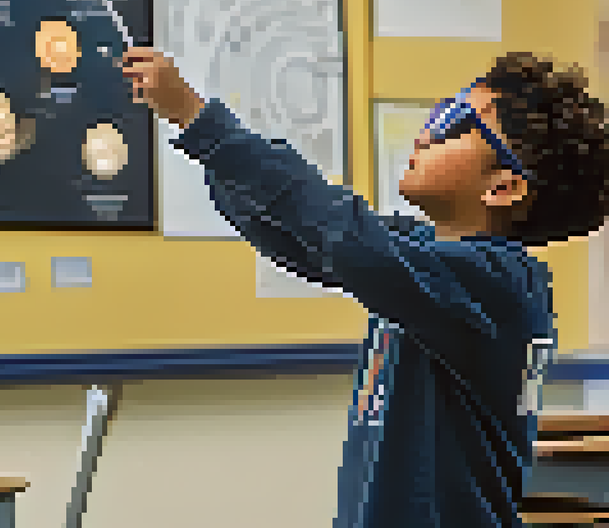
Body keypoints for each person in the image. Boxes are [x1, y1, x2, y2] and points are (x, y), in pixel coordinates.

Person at [120, 47, 609, 528]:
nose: (428, 132)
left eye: (456, 123)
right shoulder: (421, 253)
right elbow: (299, 236)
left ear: (502, 187)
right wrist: (200, 138)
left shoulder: (499, 281)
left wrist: (199, 118)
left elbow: (342, 232)